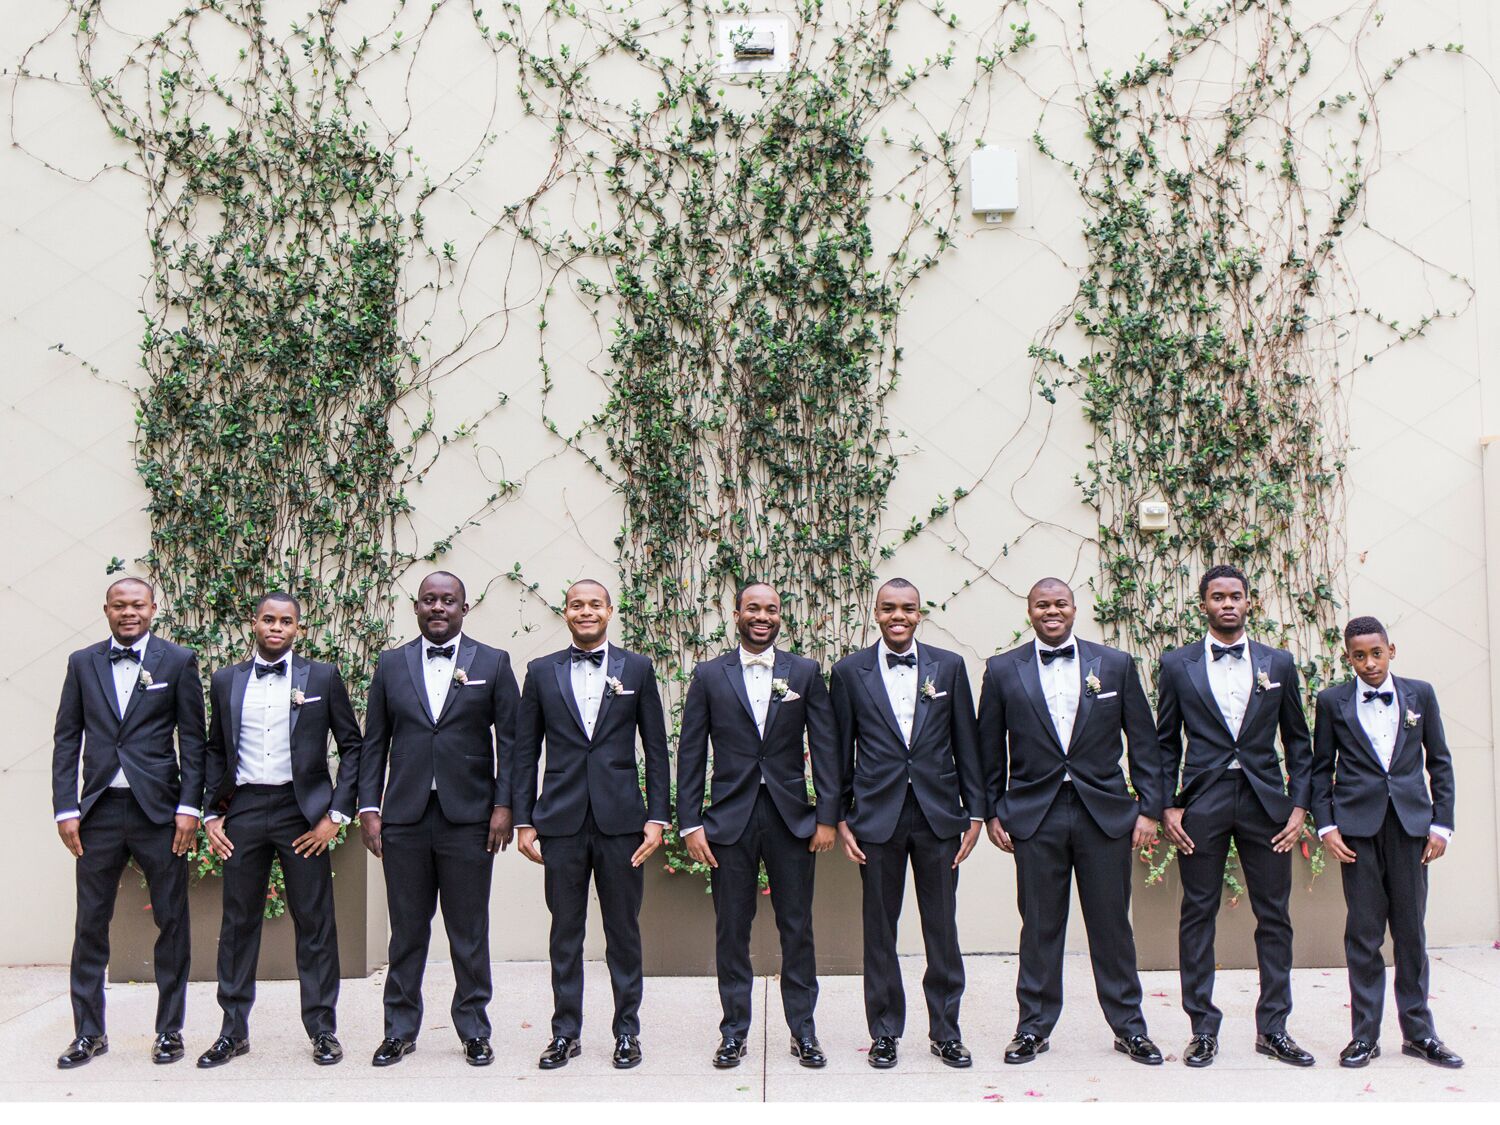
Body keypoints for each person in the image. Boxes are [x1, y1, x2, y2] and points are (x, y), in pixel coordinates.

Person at [978, 577, 1164, 1065]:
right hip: (1034, 815)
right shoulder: (1002, 670)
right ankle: (1033, 1029)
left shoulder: (1116, 665)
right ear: (1030, 611)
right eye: (1042, 604)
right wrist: (995, 808)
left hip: (1103, 813)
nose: (1052, 611)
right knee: (1039, 926)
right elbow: (987, 749)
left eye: (1060, 603)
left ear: (1075, 609)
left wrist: (1147, 808)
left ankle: (1129, 1027)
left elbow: (1143, 741)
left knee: (1112, 927)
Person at [357, 571, 519, 1067]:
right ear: (417, 608)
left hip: (469, 818)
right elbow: (374, 743)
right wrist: (368, 806)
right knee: (407, 930)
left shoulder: (492, 662)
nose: (438, 607)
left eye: (448, 600)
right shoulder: (390, 664)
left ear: (464, 609)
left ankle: (474, 1029)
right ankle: (399, 1030)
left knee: (468, 930)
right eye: (429, 600)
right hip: (403, 817)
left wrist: (505, 806)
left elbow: (511, 742)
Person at [1156, 564, 1314, 1067]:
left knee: (1274, 915)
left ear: (1250, 603)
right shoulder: (1177, 665)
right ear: (1203, 604)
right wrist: (1166, 806)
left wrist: (1299, 805)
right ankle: (1202, 1028)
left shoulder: (1280, 664)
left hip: (1266, 802)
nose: (1227, 603)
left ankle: (1273, 1028)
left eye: (1236, 596)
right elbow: (1163, 744)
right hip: (1202, 802)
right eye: (1218, 596)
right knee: (1196, 914)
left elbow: (1298, 741)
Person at [676, 582, 839, 1069]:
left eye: (770, 608)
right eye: (753, 608)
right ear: (737, 613)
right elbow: (690, 752)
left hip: (791, 819)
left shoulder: (804, 672)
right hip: (729, 820)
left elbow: (826, 748)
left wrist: (827, 816)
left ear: (779, 616)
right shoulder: (709, 675)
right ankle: (733, 1033)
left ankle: (803, 1032)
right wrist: (689, 824)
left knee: (798, 928)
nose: (762, 616)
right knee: (731, 929)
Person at [196, 592, 363, 1067]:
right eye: (268, 619)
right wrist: (211, 813)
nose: (276, 627)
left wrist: (336, 814)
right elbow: (213, 749)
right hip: (244, 811)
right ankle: (233, 1032)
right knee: (237, 923)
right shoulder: (226, 680)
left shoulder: (323, 678)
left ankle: (323, 1030)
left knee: (314, 923)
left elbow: (352, 746)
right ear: (254, 623)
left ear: (298, 629)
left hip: (301, 812)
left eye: (285, 621)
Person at [513, 579, 670, 1070]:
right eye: (577, 605)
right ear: (565, 613)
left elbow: (656, 750)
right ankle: (565, 1033)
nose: (586, 611)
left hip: (622, 820)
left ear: (609, 611)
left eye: (594, 604)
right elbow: (525, 751)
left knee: (623, 930)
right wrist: (524, 819)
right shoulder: (540, 672)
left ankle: (627, 1032)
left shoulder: (638, 669)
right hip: (559, 821)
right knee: (565, 931)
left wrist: (657, 818)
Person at [830, 577, 984, 1070]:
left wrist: (975, 812)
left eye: (909, 609)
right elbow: (837, 752)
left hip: (939, 816)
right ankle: (885, 1032)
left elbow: (968, 741)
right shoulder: (849, 671)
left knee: (942, 929)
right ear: (875, 613)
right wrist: (839, 817)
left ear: (921, 614)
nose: (899, 616)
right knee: (879, 930)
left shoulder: (949, 666)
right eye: (889, 608)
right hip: (876, 818)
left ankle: (946, 1031)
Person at [52, 577, 206, 1069]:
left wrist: (189, 807)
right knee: (91, 925)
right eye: (120, 606)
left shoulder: (177, 661)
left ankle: (169, 1031)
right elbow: (66, 740)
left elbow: (194, 742)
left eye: (137, 605)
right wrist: (66, 807)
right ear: (106, 610)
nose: (129, 613)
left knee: (172, 920)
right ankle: (89, 1034)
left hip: (158, 812)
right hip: (97, 812)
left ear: (153, 608)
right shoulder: (82, 663)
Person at [1312, 616, 1462, 1069]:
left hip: (1411, 829)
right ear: (1348, 657)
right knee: (1364, 933)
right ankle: (1365, 1036)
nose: (1369, 663)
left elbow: (1440, 761)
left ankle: (1419, 1033)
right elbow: (1321, 769)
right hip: (1357, 831)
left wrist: (1442, 825)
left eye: (1376, 653)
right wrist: (1326, 827)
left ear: (1390, 651)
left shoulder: (1421, 694)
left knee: (1411, 933)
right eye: (1359, 656)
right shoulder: (1331, 702)